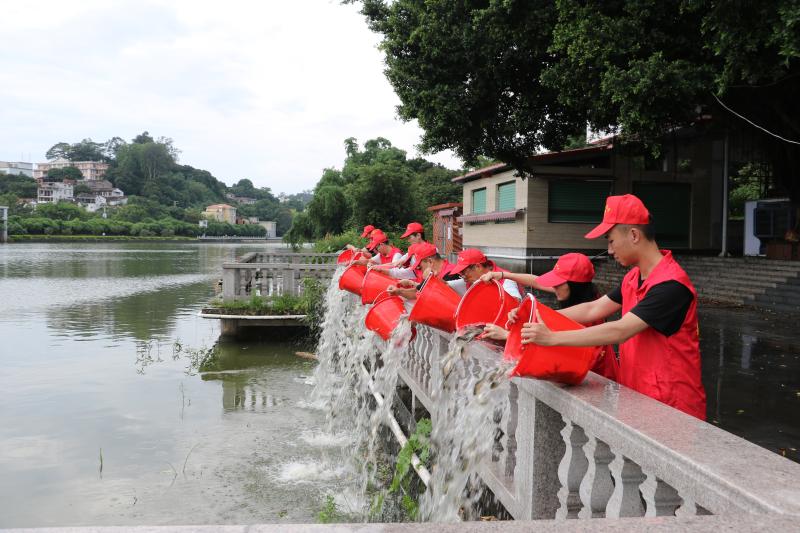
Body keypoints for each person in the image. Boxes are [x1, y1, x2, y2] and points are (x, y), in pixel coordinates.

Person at [520, 194, 706, 420]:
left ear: (634, 235)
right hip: (639, 398)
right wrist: (534, 316)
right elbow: (593, 309)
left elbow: (620, 330)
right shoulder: (633, 278)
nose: (609, 250)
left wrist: (552, 338)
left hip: (672, 407)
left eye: (610, 240)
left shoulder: (671, 285)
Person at [480, 253, 618, 380]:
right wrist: (503, 275)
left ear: (575, 285)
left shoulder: (586, 317)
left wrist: (508, 335)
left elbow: (554, 348)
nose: (553, 286)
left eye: (558, 283)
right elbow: (536, 281)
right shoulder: (579, 293)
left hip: (597, 378)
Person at [387, 242, 460, 298]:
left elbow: (439, 299)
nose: (420, 271)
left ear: (430, 261)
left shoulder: (451, 273)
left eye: (420, 266)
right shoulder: (432, 273)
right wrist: (398, 291)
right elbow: (418, 291)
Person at [448, 248, 522, 300]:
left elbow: (516, 301)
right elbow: (445, 285)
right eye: (460, 273)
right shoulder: (469, 281)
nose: (463, 277)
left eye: (464, 272)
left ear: (478, 267)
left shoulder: (505, 279)